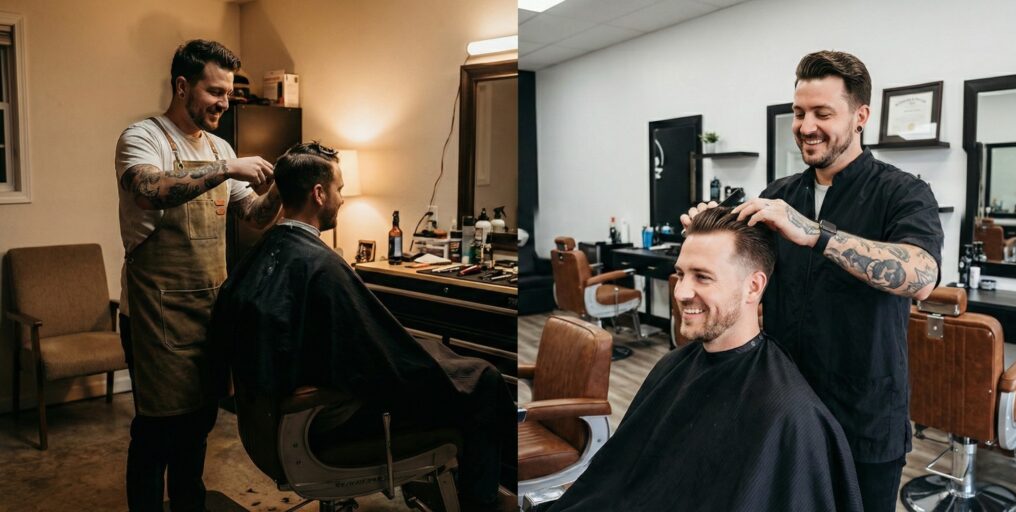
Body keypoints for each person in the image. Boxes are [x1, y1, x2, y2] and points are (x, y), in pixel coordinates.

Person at [682, 50, 943, 510]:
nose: (806, 126)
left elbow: (921, 276)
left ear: (860, 116)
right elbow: (743, 280)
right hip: (782, 407)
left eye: (823, 113)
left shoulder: (902, 192)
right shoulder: (778, 195)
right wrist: (709, 242)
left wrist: (814, 234)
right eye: (799, 112)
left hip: (865, 418)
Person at [209, 142, 516, 511]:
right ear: (319, 194)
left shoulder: (263, 252)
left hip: (273, 422)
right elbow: (379, 358)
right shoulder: (320, 266)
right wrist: (433, 365)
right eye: (339, 188)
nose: (342, 199)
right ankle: (482, 500)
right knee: (481, 380)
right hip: (327, 421)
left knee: (444, 362)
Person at [550, 207, 863, 511]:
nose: (682, 291)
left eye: (702, 277)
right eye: (681, 274)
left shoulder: (789, 413)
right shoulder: (672, 366)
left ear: (753, 287)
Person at [114, 40, 281, 511]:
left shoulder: (219, 144)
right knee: (156, 430)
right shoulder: (143, 138)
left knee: (198, 426)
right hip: (155, 316)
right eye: (215, 92)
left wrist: (282, 189)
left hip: (209, 311)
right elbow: (150, 192)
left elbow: (252, 214)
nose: (224, 104)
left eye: (228, 94)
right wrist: (228, 167)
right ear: (182, 86)